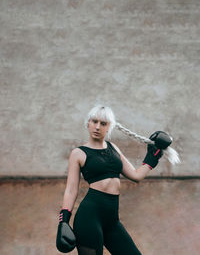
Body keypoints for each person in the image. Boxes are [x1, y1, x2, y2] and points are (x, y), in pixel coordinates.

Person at [56, 105, 166, 255]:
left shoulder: (113, 148)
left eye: (103, 123)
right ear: (88, 123)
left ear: (109, 127)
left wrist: (153, 156)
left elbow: (136, 176)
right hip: (88, 217)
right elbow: (71, 189)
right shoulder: (78, 153)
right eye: (94, 121)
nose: (97, 127)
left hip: (112, 220)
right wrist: (63, 221)